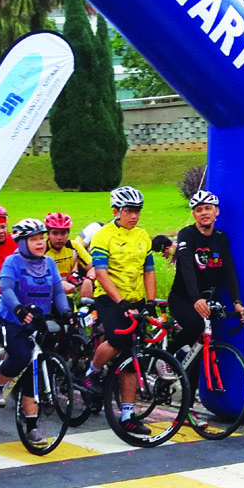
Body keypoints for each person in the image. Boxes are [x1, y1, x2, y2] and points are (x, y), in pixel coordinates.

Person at [82, 186, 157, 436]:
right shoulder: (103, 236)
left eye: (137, 211)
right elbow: (101, 273)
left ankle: (127, 415)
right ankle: (91, 372)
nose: (134, 216)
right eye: (129, 211)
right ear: (116, 211)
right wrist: (120, 301)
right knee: (119, 339)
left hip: (135, 298)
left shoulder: (143, 236)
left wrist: (150, 301)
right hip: (109, 297)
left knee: (131, 355)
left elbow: (149, 271)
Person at [0, 219, 71, 444]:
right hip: (12, 320)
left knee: (33, 370)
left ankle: (32, 427)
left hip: (38, 321)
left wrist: (65, 311)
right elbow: (6, 290)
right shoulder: (12, 262)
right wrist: (18, 308)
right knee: (22, 356)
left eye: (41, 238)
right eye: (33, 239)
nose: (40, 243)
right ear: (22, 242)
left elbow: (58, 291)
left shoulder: (49, 263)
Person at [168, 190, 244, 356]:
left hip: (207, 300)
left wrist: (236, 302)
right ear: (194, 214)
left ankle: (189, 371)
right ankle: (166, 357)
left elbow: (229, 271)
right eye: (198, 210)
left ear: (216, 211)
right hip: (183, 298)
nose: (203, 213)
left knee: (202, 347)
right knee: (196, 324)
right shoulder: (187, 234)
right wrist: (196, 298)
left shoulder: (221, 238)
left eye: (207, 208)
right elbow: (186, 266)